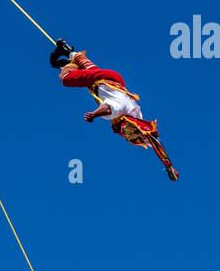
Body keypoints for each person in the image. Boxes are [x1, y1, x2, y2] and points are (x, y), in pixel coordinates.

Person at [49, 40, 179, 181]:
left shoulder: (134, 115)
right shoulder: (118, 111)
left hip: (114, 80)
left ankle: (69, 51)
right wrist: (94, 114)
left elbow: (154, 141)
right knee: (67, 79)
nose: (126, 134)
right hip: (101, 81)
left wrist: (168, 166)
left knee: (89, 69)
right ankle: (67, 63)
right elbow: (107, 108)